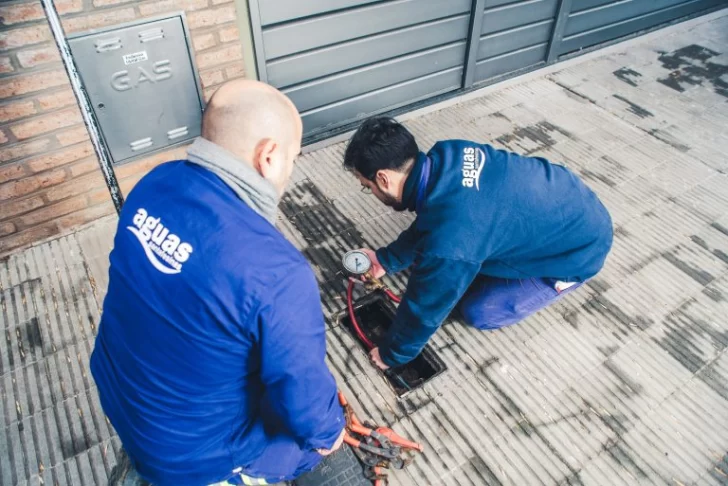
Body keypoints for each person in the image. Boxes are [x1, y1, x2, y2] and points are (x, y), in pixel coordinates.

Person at [91, 80, 345, 486]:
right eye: (293, 159)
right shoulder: (277, 271)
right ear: (269, 156)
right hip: (190, 456)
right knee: (308, 448)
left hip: (115, 391)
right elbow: (303, 397)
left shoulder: (154, 182)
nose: (290, 171)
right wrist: (331, 431)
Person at [344, 117, 613, 369]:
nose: (371, 192)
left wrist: (394, 353)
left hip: (579, 251)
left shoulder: (452, 240)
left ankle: (562, 282)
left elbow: (425, 307)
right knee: (451, 258)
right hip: (572, 204)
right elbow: (434, 216)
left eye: (368, 186)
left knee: (479, 311)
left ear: (383, 178)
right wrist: (387, 259)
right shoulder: (449, 155)